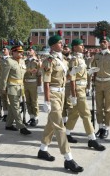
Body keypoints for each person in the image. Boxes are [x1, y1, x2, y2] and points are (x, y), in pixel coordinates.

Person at [37, 35, 83, 173]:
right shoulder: (48, 61)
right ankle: (68, 158)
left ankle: (42, 150)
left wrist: (73, 72)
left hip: (61, 94)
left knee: (51, 124)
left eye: (61, 42)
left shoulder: (63, 59)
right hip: (52, 94)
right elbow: (46, 82)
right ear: (52, 46)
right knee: (59, 126)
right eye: (58, 42)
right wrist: (46, 100)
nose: (62, 44)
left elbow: (65, 78)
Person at [65, 38, 105, 151]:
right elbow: (72, 78)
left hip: (81, 88)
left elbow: (80, 74)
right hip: (77, 90)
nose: (83, 47)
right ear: (75, 47)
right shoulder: (73, 60)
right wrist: (73, 95)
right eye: (81, 45)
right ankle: (92, 139)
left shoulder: (81, 59)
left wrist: (89, 72)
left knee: (74, 113)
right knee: (86, 114)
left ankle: (66, 134)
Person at [92, 36, 110, 139]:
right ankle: (100, 127)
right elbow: (94, 71)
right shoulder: (96, 56)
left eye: (104, 41)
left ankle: (106, 128)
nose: (103, 43)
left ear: (108, 43)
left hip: (108, 83)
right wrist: (92, 84)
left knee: (108, 108)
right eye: (101, 41)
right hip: (98, 83)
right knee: (99, 107)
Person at [0, 45, 32, 135]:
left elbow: (22, 72)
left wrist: (30, 71)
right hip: (12, 87)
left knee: (12, 107)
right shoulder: (8, 62)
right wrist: (3, 88)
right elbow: (4, 76)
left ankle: (9, 124)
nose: (21, 53)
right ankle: (21, 127)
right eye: (18, 52)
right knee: (16, 107)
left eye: (21, 52)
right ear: (13, 52)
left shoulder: (22, 61)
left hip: (20, 87)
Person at [24, 46, 42, 126]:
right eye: (28, 50)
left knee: (34, 101)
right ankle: (31, 117)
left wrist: (39, 85)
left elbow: (39, 74)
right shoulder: (25, 61)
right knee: (28, 101)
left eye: (30, 50)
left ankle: (36, 117)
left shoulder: (37, 62)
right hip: (26, 83)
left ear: (34, 52)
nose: (29, 51)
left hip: (33, 82)